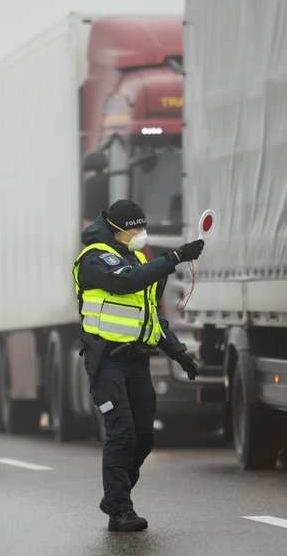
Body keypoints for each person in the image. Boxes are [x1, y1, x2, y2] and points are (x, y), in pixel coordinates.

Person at [73, 199, 204, 531]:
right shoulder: (95, 257)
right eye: (136, 228)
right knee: (122, 433)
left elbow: (151, 319)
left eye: (143, 228)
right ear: (118, 230)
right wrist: (174, 257)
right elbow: (127, 282)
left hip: (136, 362)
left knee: (144, 437)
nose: (141, 234)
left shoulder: (135, 258)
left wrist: (179, 352)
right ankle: (120, 511)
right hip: (107, 362)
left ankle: (116, 495)